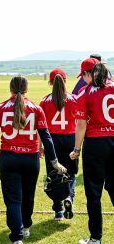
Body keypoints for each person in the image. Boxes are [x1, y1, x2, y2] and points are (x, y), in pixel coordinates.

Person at [0, 76, 66, 244]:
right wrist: (54, 161)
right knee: (28, 196)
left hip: (9, 158)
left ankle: (17, 239)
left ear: (10, 88)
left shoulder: (0, 108)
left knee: (13, 200)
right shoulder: (36, 109)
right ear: (26, 89)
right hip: (30, 159)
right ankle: (26, 225)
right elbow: (47, 138)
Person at [70, 61, 114, 244]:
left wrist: (76, 149)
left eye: (84, 76)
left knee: (94, 194)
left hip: (96, 144)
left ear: (89, 74)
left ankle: (96, 240)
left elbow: (81, 125)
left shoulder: (86, 92)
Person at [39, 68, 77, 220]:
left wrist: (40, 145)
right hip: (70, 138)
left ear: (50, 82)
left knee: (54, 174)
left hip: (51, 140)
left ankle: (58, 211)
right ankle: (69, 197)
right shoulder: (74, 99)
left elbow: (41, 127)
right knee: (71, 173)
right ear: (65, 81)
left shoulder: (44, 101)